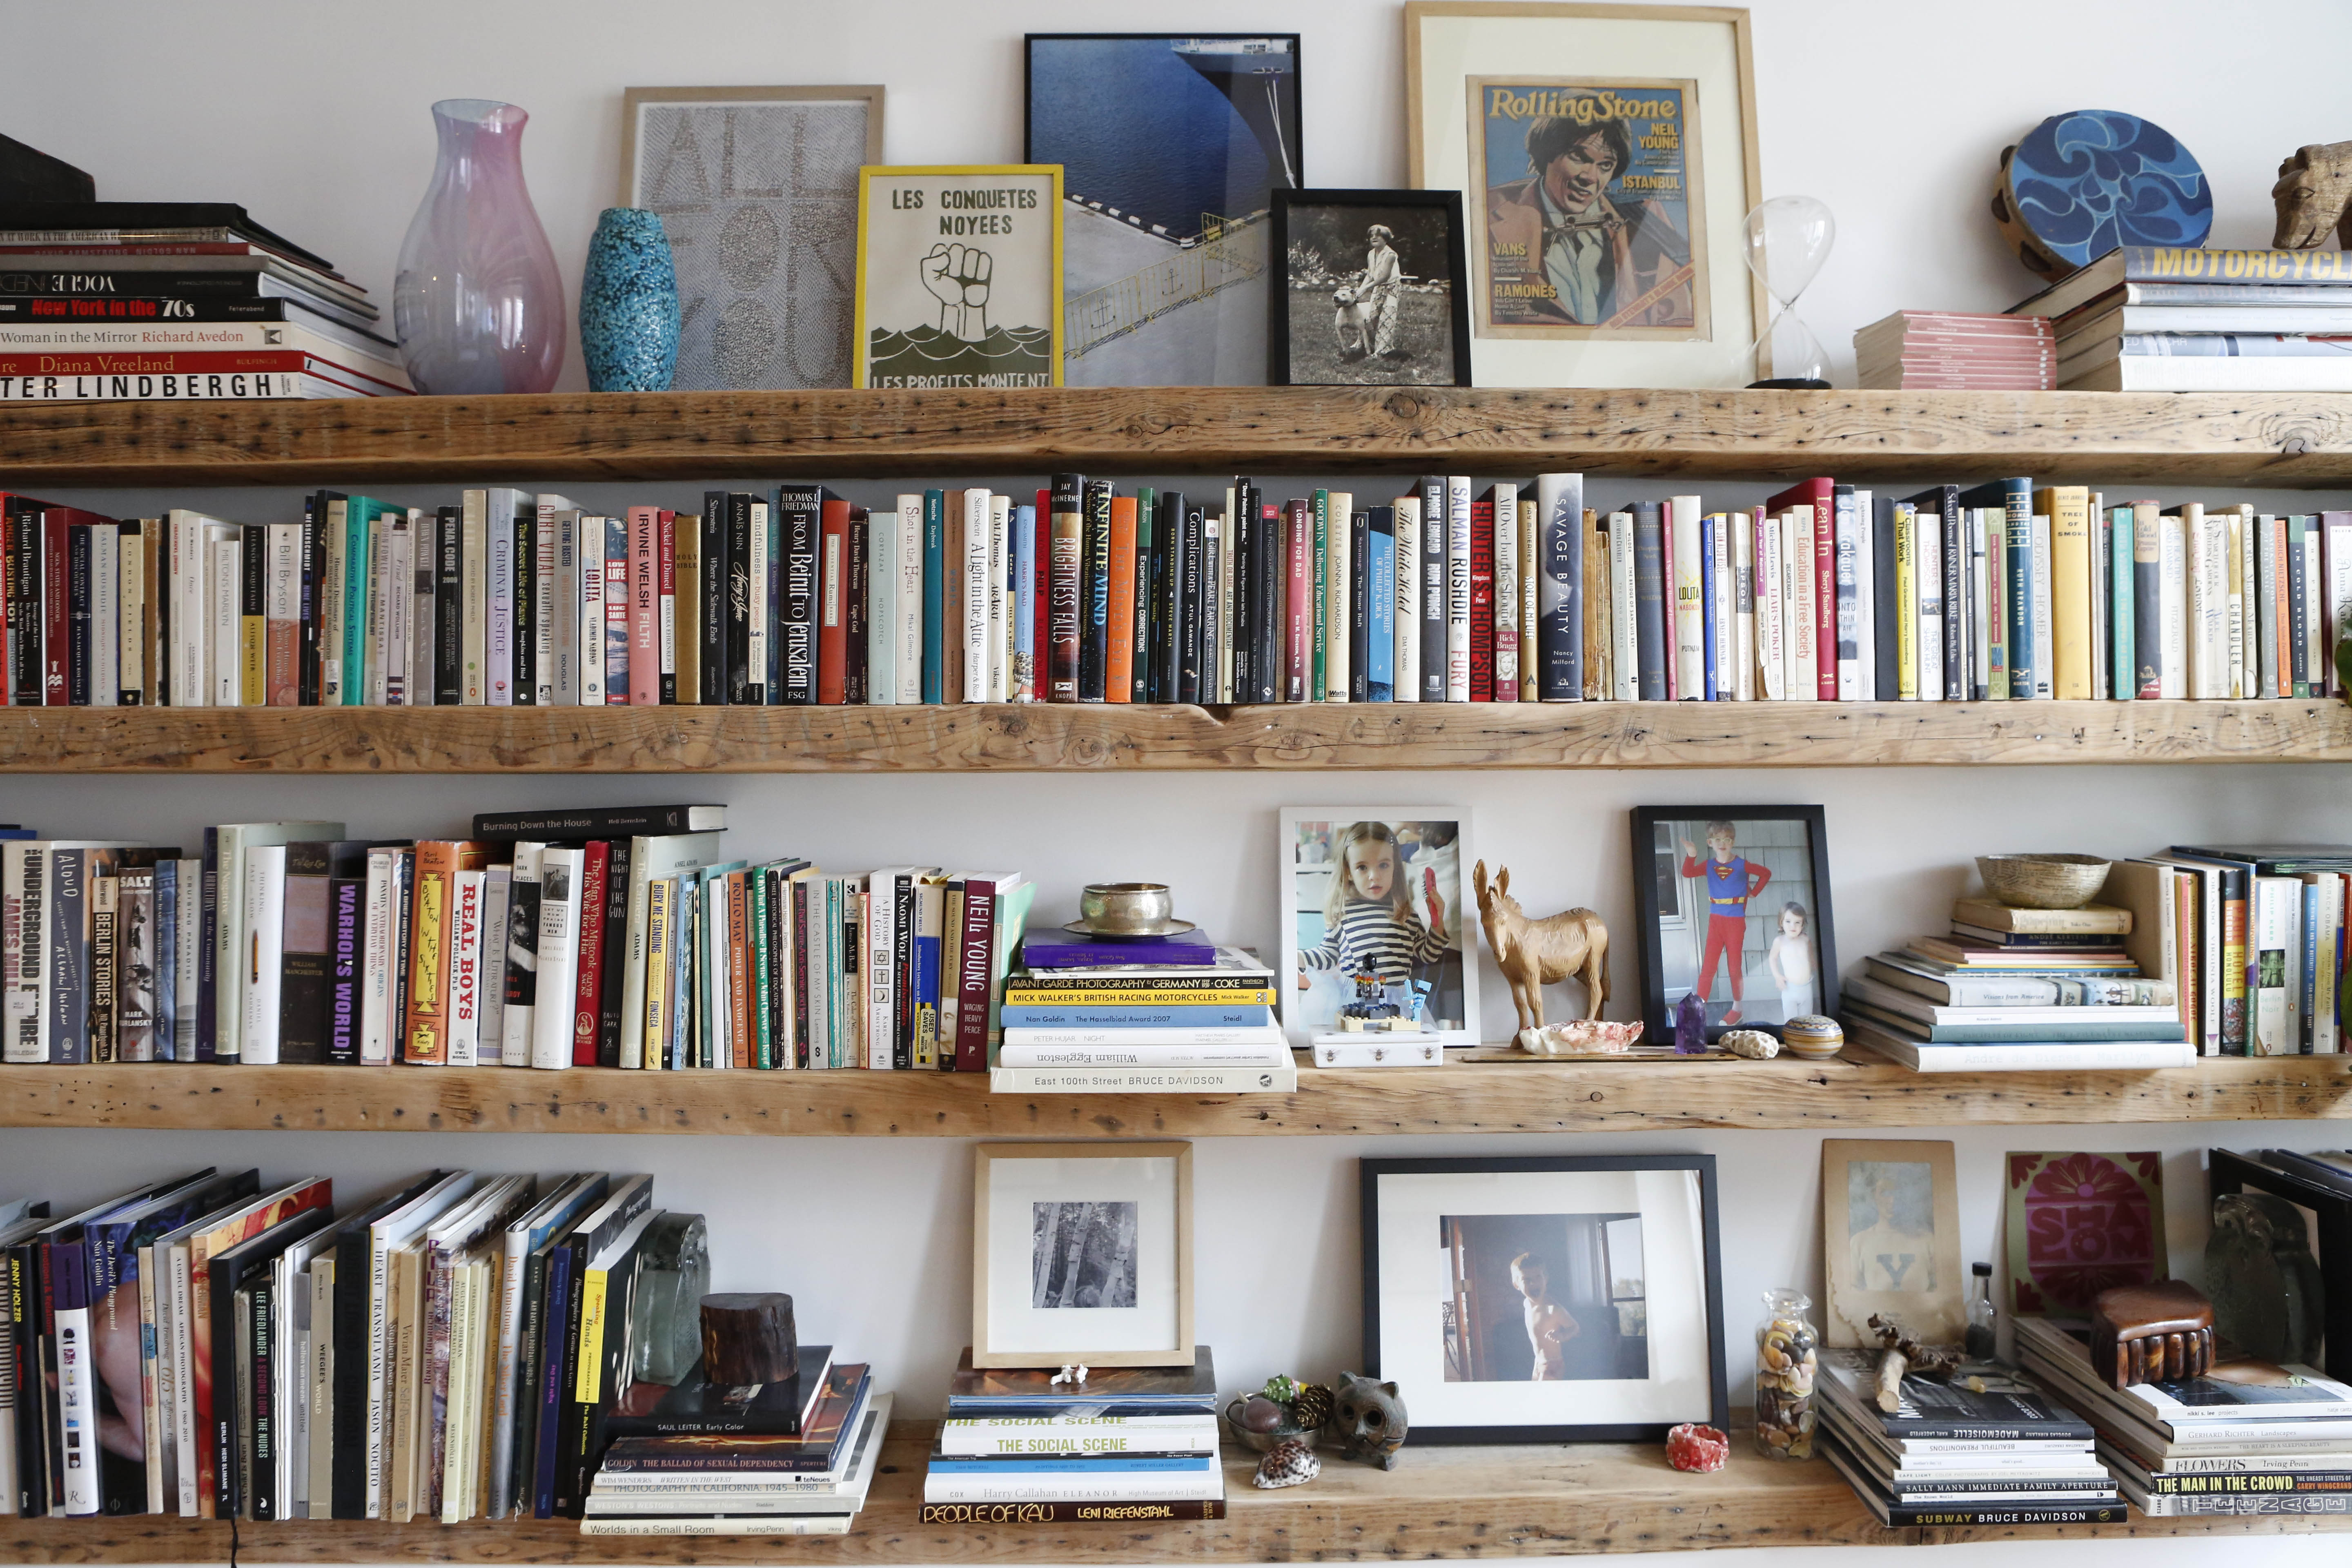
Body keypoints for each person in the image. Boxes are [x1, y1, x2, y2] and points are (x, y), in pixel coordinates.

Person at [1483, 113, 1693, 328]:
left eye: (1606, 165)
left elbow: (1679, 323)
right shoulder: (1487, 212)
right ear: (1547, 154)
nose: (1591, 177)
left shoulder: (1644, 220)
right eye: (1579, 157)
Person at [1298, 822, 1451, 1016]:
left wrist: (1438, 921)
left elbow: (1428, 955)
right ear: (1348, 872)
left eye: (1383, 865)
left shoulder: (1406, 914)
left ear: (1395, 867)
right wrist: (1298, 958)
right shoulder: (1343, 914)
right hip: (1356, 1002)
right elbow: (1328, 955)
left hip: (1398, 1004)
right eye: (1362, 867)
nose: (1374, 876)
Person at [1679, 821, 1770, 1026]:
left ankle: (1737, 1009)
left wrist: (1754, 893)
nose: (1722, 843)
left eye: (1727, 839)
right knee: (1709, 966)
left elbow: (1766, 873)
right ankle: (1699, 1009)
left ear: (1733, 842)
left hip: (1735, 921)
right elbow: (1688, 873)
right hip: (1716, 920)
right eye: (1718, 839)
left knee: (1734, 967)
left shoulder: (1742, 865)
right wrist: (1692, 854)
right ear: (1710, 843)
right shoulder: (1709, 865)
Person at [1510, 1251, 1581, 1380]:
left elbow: (1575, 1328)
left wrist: (1563, 1336)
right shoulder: (1527, 1304)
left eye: (1538, 1277)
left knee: (1544, 1393)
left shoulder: (1553, 1309)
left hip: (1553, 1364)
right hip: (1538, 1361)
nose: (1533, 1284)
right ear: (1516, 1285)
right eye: (1526, 1280)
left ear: (1546, 1279)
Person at [1361, 224, 1405, 359]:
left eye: (1378, 236)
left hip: (1391, 289)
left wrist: (1367, 288)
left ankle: (1382, 351)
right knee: (1370, 318)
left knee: (1387, 319)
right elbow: (1370, 275)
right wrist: (1360, 289)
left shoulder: (1391, 255)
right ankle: (1366, 344)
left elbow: (1384, 277)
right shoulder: (1371, 254)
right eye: (1372, 236)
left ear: (1386, 239)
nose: (1374, 238)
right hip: (1378, 288)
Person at [1768, 901, 1817, 1019]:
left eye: (1797, 922)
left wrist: (1815, 966)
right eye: (1788, 922)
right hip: (1789, 988)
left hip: (1806, 987)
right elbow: (1772, 958)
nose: (1793, 926)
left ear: (1803, 925)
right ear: (1782, 923)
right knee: (1790, 1020)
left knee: (1806, 1019)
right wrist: (1777, 976)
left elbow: (1811, 956)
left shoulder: (1806, 940)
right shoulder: (1780, 941)